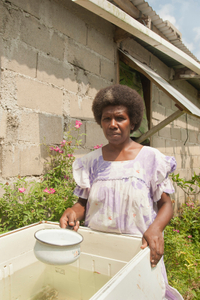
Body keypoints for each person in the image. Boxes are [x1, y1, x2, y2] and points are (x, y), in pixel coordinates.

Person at [60, 84, 183, 300]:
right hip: (98, 251)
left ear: (132, 122)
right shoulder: (90, 163)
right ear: (100, 122)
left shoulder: (151, 159)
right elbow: (83, 204)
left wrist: (155, 230)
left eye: (120, 118)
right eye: (107, 119)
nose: (113, 124)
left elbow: (166, 204)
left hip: (139, 251)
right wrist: (72, 211)